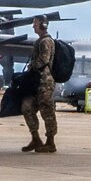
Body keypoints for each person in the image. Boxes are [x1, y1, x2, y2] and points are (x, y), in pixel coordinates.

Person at [20, 14, 59, 153]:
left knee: (47, 111)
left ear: (43, 25)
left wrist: (32, 67)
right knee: (27, 107)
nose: (33, 26)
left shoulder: (46, 41)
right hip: (36, 82)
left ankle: (50, 142)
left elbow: (44, 60)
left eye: (35, 24)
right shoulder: (39, 41)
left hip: (45, 82)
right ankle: (35, 138)